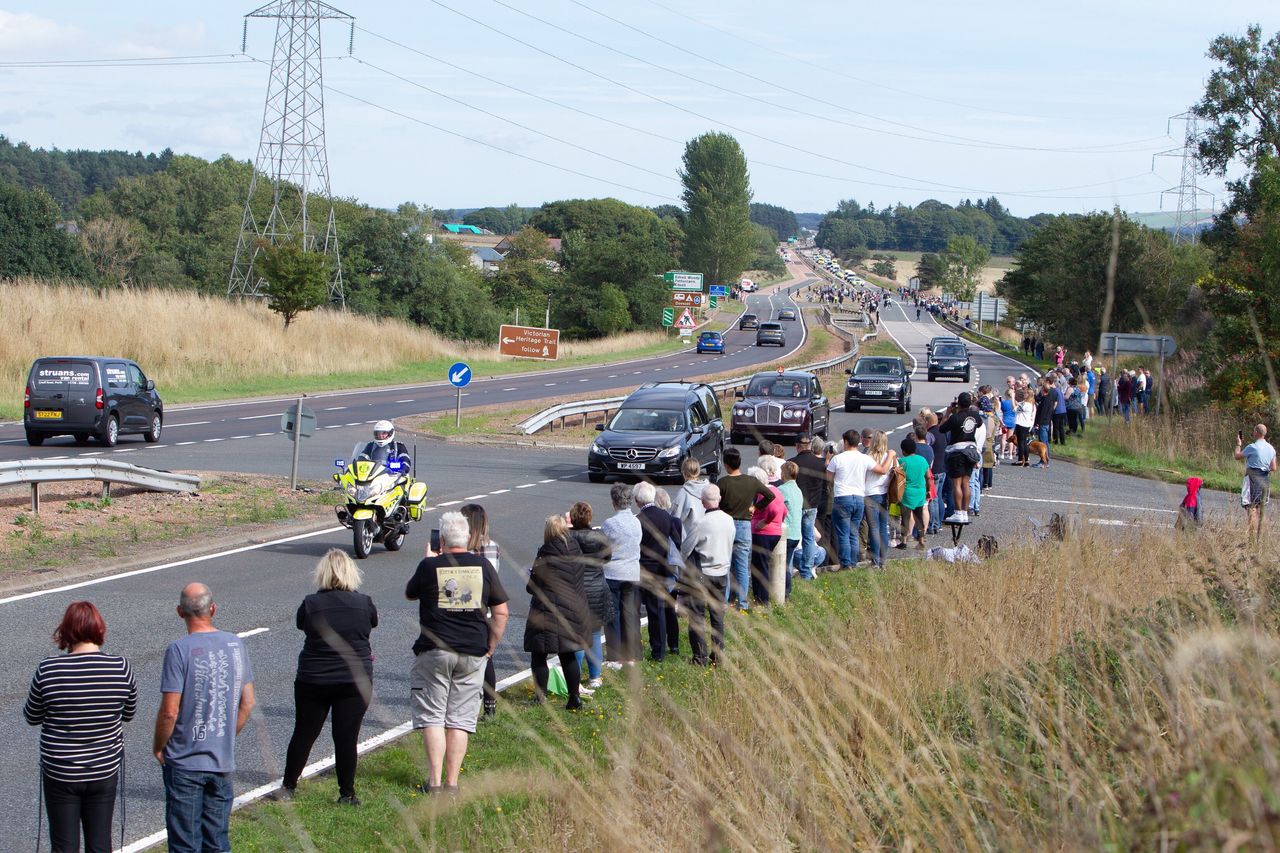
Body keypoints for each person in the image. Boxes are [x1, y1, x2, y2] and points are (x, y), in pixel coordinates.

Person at [405, 512, 510, 792]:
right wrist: (491, 645)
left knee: (433, 716)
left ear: (441, 539)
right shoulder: (484, 566)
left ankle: (434, 782)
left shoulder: (430, 567)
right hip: (473, 649)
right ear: (468, 538)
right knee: (460, 720)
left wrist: (429, 560)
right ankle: (453, 783)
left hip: (435, 649)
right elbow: (501, 612)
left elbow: (409, 593)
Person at [25, 601, 137, 853]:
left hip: (61, 770)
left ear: (66, 631)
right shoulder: (120, 667)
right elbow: (128, 713)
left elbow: (32, 716)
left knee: (64, 846)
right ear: (99, 629)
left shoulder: (48, 669)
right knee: (100, 844)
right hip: (103, 768)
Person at [154, 584, 256, 853]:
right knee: (217, 839)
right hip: (221, 759)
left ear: (179, 612)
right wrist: (224, 736)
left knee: (185, 842)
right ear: (213, 609)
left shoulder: (178, 650)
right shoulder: (235, 644)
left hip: (186, 761)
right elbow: (248, 703)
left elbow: (170, 711)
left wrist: (159, 745)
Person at [274, 550, 378, 806]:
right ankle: (347, 793)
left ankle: (288, 786)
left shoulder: (311, 604)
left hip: (314, 677)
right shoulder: (364, 603)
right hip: (354, 680)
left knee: (304, 732)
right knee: (346, 736)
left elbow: (302, 625)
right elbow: (371, 624)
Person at [525, 514, 591, 707]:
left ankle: (540, 696)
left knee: (539, 654)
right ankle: (574, 697)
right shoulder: (576, 550)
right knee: (567, 653)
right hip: (573, 608)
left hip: (548, 610)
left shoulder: (545, 553)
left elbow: (533, 587)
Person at [716, 448, 775, 610]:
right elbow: (770, 495)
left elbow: (715, 503)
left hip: (726, 525)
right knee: (742, 566)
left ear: (726, 464)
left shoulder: (722, 483)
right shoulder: (751, 481)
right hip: (744, 525)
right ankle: (742, 603)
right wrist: (756, 506)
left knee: (726, 565)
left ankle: (725, 602)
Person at [459, 503, 501, 718]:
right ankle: (490, 704)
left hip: (461, 607)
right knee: (486, 659)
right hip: (484, 611)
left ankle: (463, 702)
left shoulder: (460, 547)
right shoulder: (491, 546)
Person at [826, 429, 891, 570]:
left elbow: (828, 478)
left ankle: (845, 563)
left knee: (843, 533)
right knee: (854, 532)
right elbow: (881, 470)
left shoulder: (838, 459)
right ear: (858, 442)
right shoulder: (864, 458)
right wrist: (891, 455)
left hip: (843, 497)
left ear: (845, 442)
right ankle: (854, 562)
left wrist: (827, 462)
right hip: (859, 498)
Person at [686, 484, 735, 665]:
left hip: (703, 572)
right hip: (722, 571)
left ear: (702, 502)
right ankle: (718, 656)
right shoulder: (729, 520)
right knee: (717, 616)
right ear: (719, 499)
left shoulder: (701, 523)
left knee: (697, 616)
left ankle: (699, 656)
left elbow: (686, 548)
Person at [569, 501, 614, 691]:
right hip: (597, 587)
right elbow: (607, 557)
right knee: (595, 633)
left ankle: (575, 676)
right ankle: (595, 676)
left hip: (576, 589)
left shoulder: (568, 539)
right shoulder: (600, 536)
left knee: (576, 635)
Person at [635, 482, 678, 660]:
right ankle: (659, 650)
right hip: (662, 568)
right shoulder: (666, 517)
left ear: (637, 500)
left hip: (644, 569)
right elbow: (675, 541)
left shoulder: (639, 519)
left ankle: (645, 650)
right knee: (658, 610)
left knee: (639, 610)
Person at [601, 484, 641, 669]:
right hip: (632, 571)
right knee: (629, 614)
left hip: (613, 572)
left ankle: (614, 656)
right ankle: (630, 654)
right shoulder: (636, 521)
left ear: (614, 502)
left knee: (613, 614)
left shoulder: (610, 523)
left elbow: (604, 548)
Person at [940, 393, 982, 524]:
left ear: (958, 403)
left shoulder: (955, 418)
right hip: (971, 451)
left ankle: (958, 512)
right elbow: (979, 424)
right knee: (966, 483)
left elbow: (941, 429)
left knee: (956, 484)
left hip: (957, 451)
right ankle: (964, 512)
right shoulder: (975, 415)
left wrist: (948, 413)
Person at [789, 435, 826, 579]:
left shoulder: (792, 463)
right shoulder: (819, 463)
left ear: (797, 446)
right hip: (813, 505)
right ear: (810, 446)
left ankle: (790, 568)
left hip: (797, 505)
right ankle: (807, 570)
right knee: (809, 537)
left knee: (793, 537)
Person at [748, 465, 786, 604]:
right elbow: (784, 510)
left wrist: (765, 522)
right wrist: (777, 523)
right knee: (762, 564)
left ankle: (762, 599)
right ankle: (760, 597)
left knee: (760, 566)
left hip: (763, 533)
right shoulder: (776, 490)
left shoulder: (762, 494)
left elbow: (775, 510)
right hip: (775, 532)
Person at [1236, 424, 1277, 544]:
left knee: (1251, 508)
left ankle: (1252, 538)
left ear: (1257, 432)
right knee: (1261, 508)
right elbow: (1274, 467)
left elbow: (1237, 456)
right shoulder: (1271, 448)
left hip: (1253, 478)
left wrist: (1238, 444)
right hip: (1264, 479)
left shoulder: (1252, 447)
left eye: (1254, 430)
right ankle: (1262, 536)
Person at [863, 431, 897, 568]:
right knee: (883, 528)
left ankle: (876, 560)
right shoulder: (890, 457)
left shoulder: (868, 457)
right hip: (884, 494)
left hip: (870, 494)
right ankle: (883, 559)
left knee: (874, 528)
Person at [897, 437, 930, 549]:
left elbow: (899, 479)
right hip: (920, 491)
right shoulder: (922, 460)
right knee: (919, 516)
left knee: (905, 517)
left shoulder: (902, 461)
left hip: (908, 493)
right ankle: (921, 540)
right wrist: (928, 490)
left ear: (903, 451)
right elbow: (928, 477)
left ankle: (904, 541)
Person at [779, 460, 804, 593]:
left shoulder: (782, 490)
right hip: (796, 533)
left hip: (786, 533)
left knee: (782, 566)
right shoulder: (798, 490)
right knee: (788, 563)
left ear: (784, 474)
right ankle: (786, 591)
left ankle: (785, 591)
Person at [1013, 389, 1035, 467]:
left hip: (1021, 424)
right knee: (1024, 442)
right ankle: (1026, 460)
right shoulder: (1031, 403)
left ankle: (1020, 460)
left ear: (1028, 395)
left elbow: (1015, 410)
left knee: (1021, 443)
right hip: (1027, 425)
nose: (1024, 394)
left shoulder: (1026, 404)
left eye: (1025, 393)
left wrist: (1013, 399)